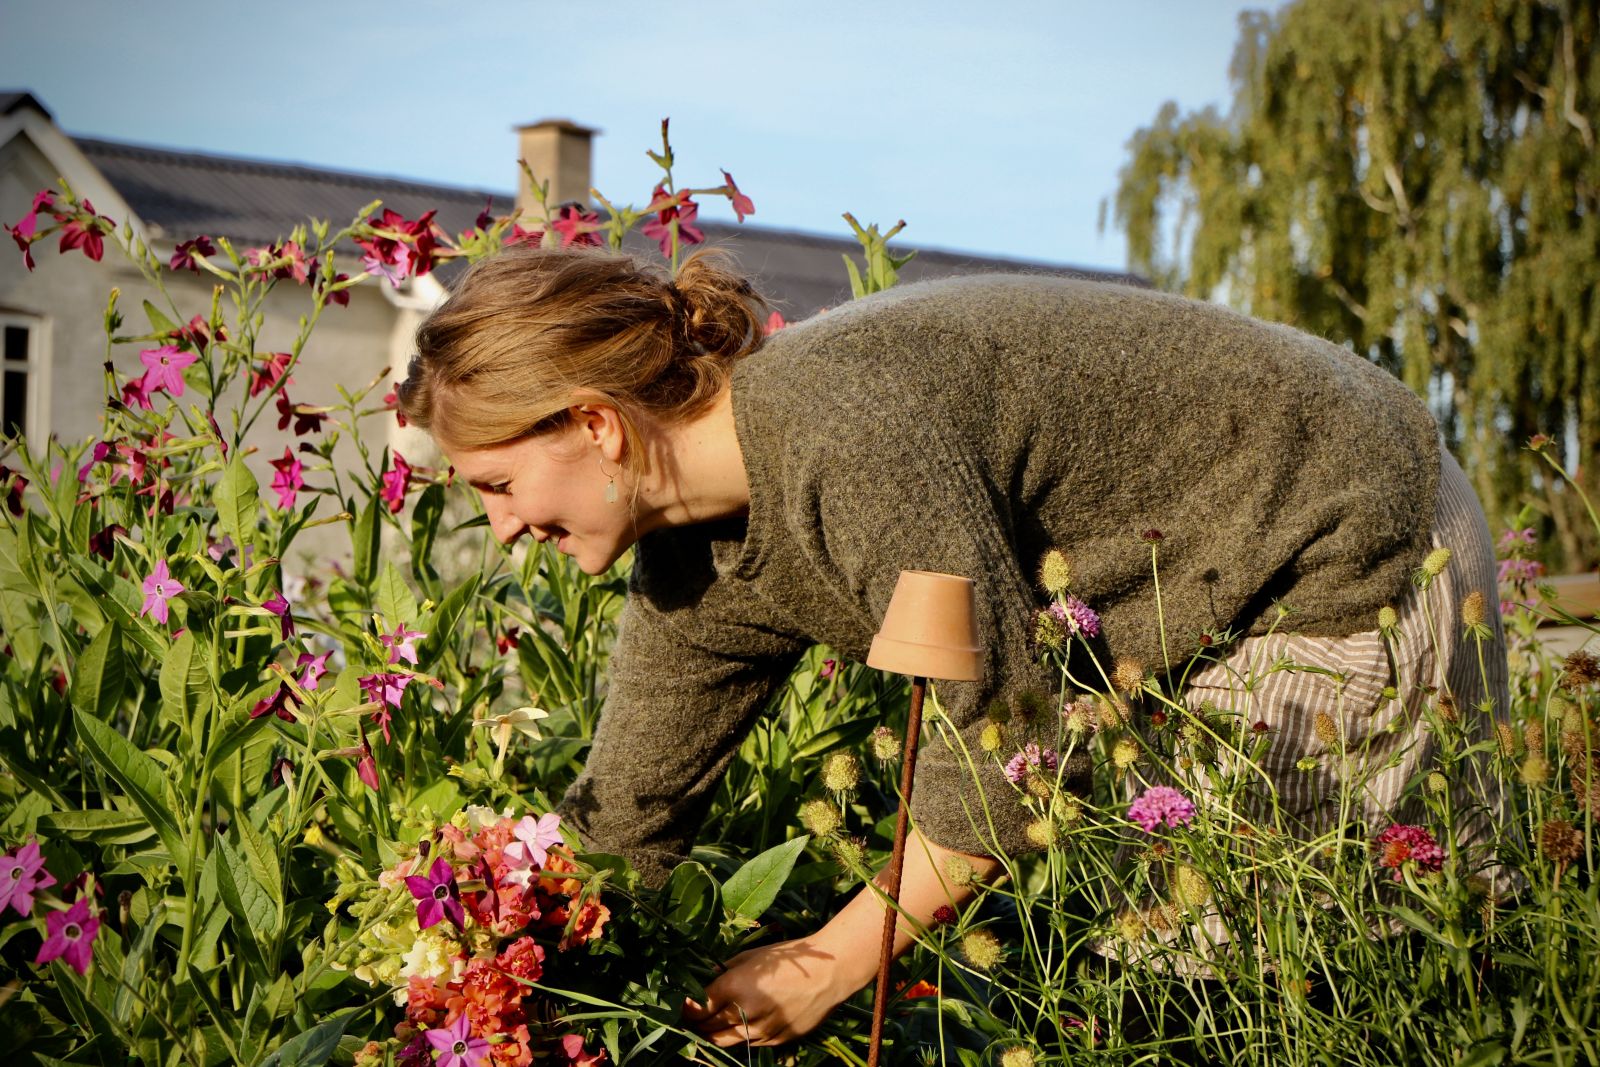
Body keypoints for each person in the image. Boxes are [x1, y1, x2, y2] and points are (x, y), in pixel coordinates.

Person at [395, 245, 1508, 1046]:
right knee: (1155, 965)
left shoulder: (841, 432)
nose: (499, 527)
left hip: (1340, 522)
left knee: (1271, 973)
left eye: (497, 483)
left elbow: (1011, 733)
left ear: (596, 424)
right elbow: (627, 819)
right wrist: (499, 969)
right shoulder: (692, 560)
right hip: (1197, 588)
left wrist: (829, 959)